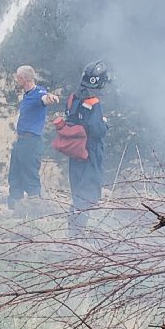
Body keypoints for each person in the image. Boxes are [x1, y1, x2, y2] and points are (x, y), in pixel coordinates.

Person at [63, 60, 110, 231]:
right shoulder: (93, 102)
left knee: (78, 190)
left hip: (75, 150)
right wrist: (104, 123)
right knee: (87, 192)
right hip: (90, 151)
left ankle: (74, 230)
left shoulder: (73, 97)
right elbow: (96, 130)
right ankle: (77, 233)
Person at [9, 65, 59, 208]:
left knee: (30, 173)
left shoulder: (38, 93)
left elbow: (45, 98)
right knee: (15, 173)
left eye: (18, 77)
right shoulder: (27, 95)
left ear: (24, 78)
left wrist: (51, 98)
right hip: (21, 140)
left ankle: (34, 205)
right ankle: (14, 206)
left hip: (31, 141)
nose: (16, 80)